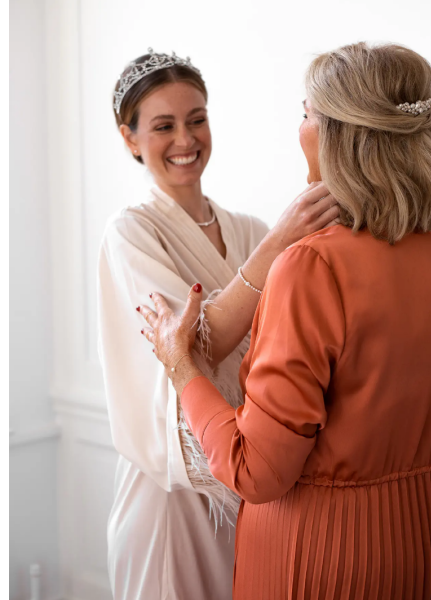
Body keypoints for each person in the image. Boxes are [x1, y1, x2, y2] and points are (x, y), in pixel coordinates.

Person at [139, 42, 431, 599]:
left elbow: (255, 471)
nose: (300, 128)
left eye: (306, 113)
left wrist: (181, 365)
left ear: (338, 133)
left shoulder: (312, 267)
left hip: (324, 559)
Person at [97, 48, 344, 600]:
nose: (185, 140)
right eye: (164, 126)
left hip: (246, 471)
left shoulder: (249, 229)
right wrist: (280, 241)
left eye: (197, 119)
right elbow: (188, 348)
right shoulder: (131, 233)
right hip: (171, 498)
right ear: (130, 138)